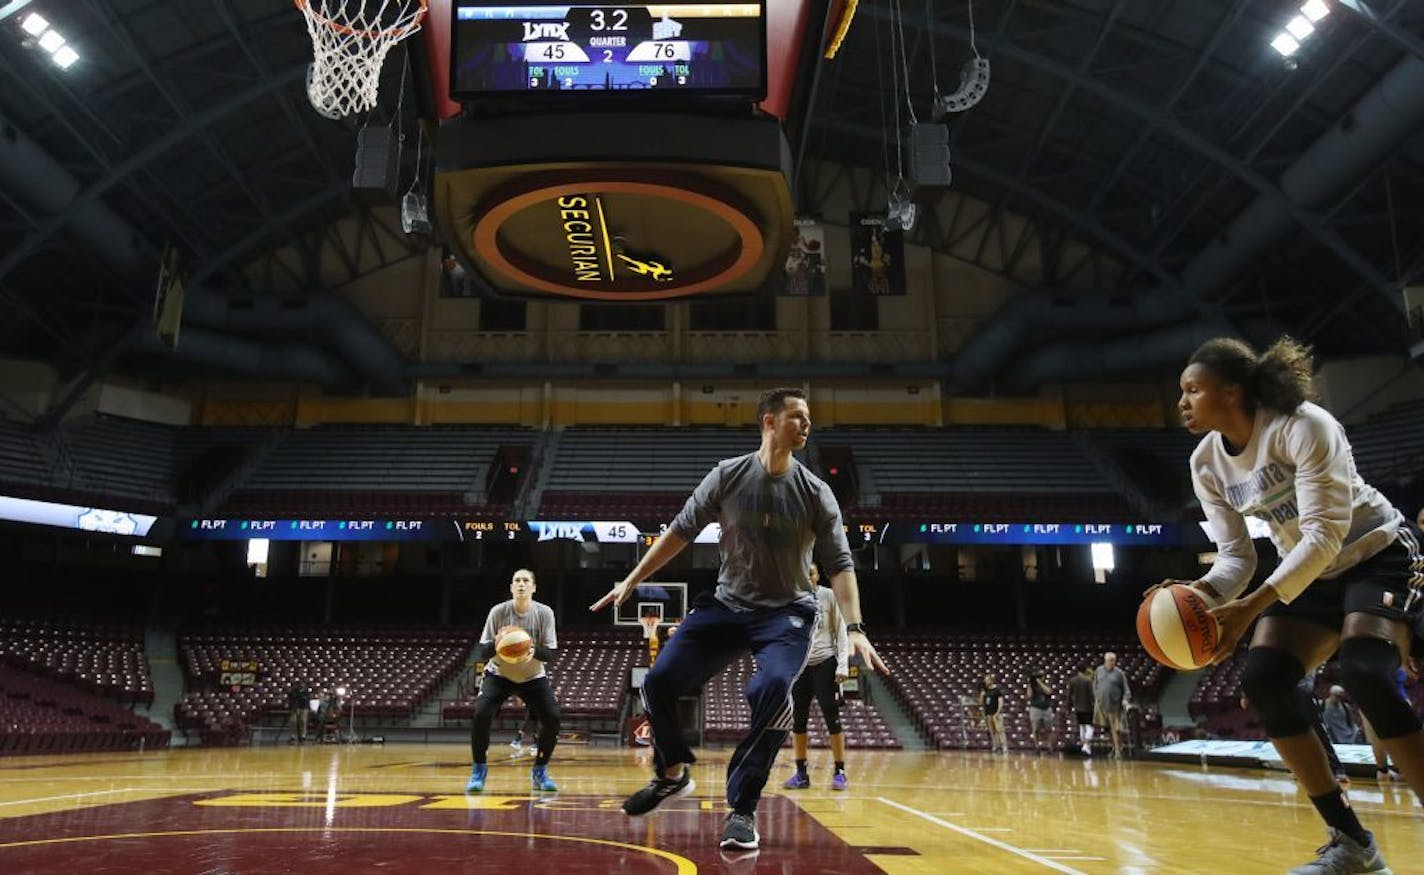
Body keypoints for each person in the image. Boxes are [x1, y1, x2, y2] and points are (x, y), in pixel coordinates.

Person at [1160, 335, 1424, 874]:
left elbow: (1327, 534)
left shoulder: (1304, 425)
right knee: (1265, 678)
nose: (1182, 401)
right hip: (1305, 574)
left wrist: (1250, 608)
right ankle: (1353, 845)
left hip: (1375, 553)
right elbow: (1236, 558)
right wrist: (1197, 596)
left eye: (1192, 389)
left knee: (1366, 671)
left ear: (1231, 391)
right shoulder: (1206, 462)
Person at [590, 387, 887, 853]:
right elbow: (679, 532)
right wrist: (631, 580)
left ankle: (742, 810)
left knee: (769, 691)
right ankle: (671, 775)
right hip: (728, 605)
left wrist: (856, 629)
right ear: (769, 422)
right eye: (797, 416)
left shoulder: (816, 493)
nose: (807, 424)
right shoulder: (727, 476)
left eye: (809, 418)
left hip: (788, 611)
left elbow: (840, 565)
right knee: (659, 681)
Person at [466, 568, 561, 794]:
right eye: (516, 580)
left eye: (525, 580)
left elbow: (550, 654)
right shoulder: (498, 612)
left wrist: (531, 649)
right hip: (499, 674)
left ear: (533, 587)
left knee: (553, 719)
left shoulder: (544, 613)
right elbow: (482, 651)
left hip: (532, 676)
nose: (521, 584)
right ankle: (479, 769)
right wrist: (501, 642)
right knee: (481, 714)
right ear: (511, 587)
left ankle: (540, 770)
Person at [783, 563, 851, 791]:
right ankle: (801, 773)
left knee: (832, 718)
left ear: (817, 575)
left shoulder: (828, 596)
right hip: (801, 666)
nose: (807, 577)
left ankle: (840, 771)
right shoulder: (792, 600)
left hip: (826, 662)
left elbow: (840, 630)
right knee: (798, 721)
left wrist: (842, 665)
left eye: (810, 573)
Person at [1360, 664, 1411, 783]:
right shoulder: (1390, 658)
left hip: (1366, 702)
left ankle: (1383, 771)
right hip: (1394, 700)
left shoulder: (1360, 658)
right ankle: (1402, 771)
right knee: (1399, 739)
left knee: (1377, 740)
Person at [1093, 652, 1132, 758]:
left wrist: (1125, 700)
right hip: (1102, 705)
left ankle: (1118, 751)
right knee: (1107, 729)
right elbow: (1095, 685)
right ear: (1105, 661)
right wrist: (1097, 696)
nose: (1112, 662)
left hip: (1115, 705)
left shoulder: (1119, 673)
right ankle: (1116, 747)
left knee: (1115, 729)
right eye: (1110, 660)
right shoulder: (1098, 671)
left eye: (1114, 660)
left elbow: (1126, 690)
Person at [1025, 668, 1056, 754]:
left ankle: (1049, 745)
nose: (1039, 677)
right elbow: (1029, 696)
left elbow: (1049, 692)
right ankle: (1037, 746)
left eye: (1041, 676)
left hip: (1046, 708)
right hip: (1035, 708)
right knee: (1035, 729)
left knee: (1048, 729)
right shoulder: (1032, 684)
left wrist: (1039, 682)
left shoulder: (1047, 683)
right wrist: (1030, 684)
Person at [1068, 663, 1096, 756]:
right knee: (1090, 727)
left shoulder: (1072, 681)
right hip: (1087, 707)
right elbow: (1092, 695)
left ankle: (1086, 747)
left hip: (1077, 708)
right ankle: (1086, 745)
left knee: (1082, 727)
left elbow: (1069, 696)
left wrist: (1068, 707)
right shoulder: (1087, 681)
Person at [980, 672, 1007, 753]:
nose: (985, 681)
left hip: (996, 713)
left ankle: (1004, 746)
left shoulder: (997, 690)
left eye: (987, 679)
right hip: (988, 713)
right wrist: (982, 694)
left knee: (1000, 730)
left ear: (991, 680)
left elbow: (1001, 702)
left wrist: (998, 712)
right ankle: (996, 745)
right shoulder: (985, 691)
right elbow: (981, 703)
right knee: (992, 731)